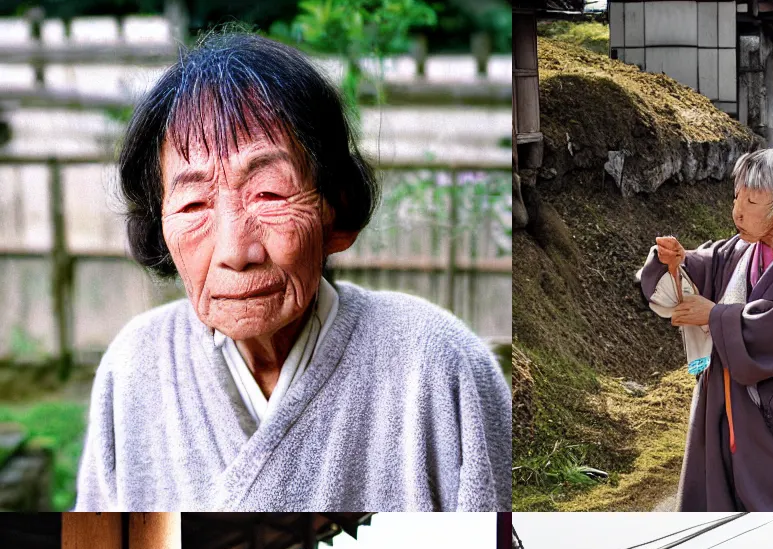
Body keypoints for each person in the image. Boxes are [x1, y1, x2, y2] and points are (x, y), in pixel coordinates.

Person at [80, 31, 513, 511]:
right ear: (160, 229)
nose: (234, 249)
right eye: (193, 204)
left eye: (268, 194)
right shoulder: (135, 366)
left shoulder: (438, 364)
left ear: (336, 209)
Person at [637, 147, 773, 511]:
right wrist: (672, 261)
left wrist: (713, 316)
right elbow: (690, 275)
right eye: (737, 196)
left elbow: (769, 337)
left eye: (752, 199)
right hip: (721, 416)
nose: (737, 210)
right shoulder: (731, 254)